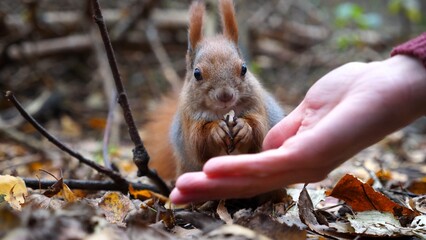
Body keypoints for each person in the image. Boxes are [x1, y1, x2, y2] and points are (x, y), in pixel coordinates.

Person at [170, 33, 426, 204]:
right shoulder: (192, 105)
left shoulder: (252, 96)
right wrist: (210, 132)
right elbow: (196, 147)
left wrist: (249, 128)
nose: (226, 94)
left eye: (242, 72)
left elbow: (261, 128)